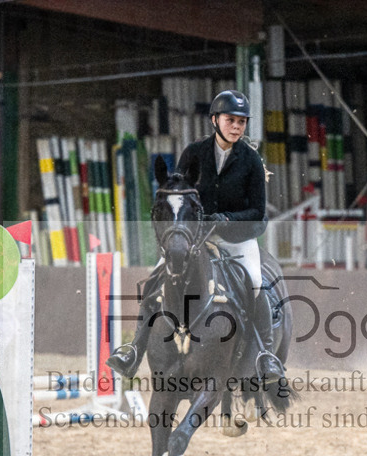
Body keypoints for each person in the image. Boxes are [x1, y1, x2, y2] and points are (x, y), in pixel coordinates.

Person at [106, 90, 284, 382]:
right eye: (231, 120)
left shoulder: (251, 160)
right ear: (215, 120)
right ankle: (134, 350)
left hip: (237, 238)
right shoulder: (194, 152)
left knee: (254, 282)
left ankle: (266, 355)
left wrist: (226, 220)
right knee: (154, 280)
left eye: (241, 121)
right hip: (195, 239)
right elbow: (179, 193)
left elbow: (258, 215)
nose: (237, 126)